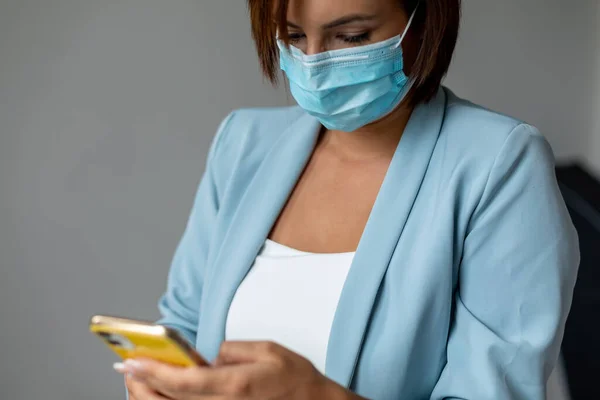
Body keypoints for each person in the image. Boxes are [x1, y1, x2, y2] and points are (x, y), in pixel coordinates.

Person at [115, 0, 580, 398]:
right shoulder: (243, 142)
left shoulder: (498, 162)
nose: (313, 62)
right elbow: (185, 323)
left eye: (352, 37)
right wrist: (158, 381)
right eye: (293, 36)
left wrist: (318, 395)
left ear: (423, 23)